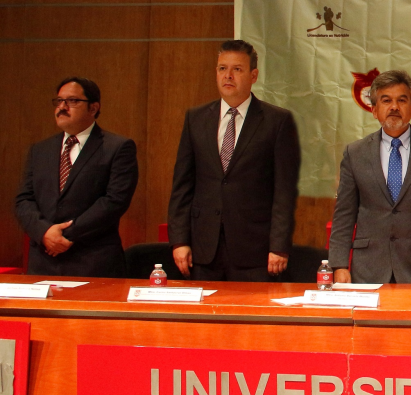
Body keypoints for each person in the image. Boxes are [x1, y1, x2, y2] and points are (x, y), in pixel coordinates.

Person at [167, 40, 301, 282]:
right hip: (203, 249)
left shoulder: (276, 121)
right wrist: (179, 241)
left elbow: (284, 191)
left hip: (255, 250)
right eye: (222, 69)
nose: (228, 76)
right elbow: (182, 187)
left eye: (237, 69)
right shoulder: (195, 119)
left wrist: (279, 246)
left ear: (253, 75)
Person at [328, 70, 411, 284]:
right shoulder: (355, 153)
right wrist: (339, 265)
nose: (394, 107)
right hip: (367, 270)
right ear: (374, 109)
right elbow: (344, 215)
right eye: (386, 100)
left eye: (402, 100)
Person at [15, 77, 138, 277]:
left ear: (93, 108)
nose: (62, 107)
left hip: (92, 261)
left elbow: (114, 201)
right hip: (43, 261)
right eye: (59, 101)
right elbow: (24, 199)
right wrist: (45, 233)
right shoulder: (39, 150)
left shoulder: (117, 148)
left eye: (72, 101)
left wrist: (64, 236)